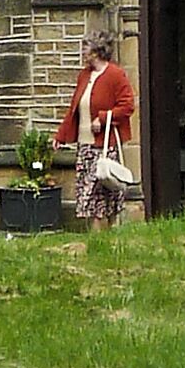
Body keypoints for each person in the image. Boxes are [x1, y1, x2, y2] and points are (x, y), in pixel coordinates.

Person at [58, 31, 138, 226]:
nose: (82, 52)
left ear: (96, 51)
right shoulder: (84, 76)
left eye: (85, 48)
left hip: (104, 146)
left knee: (104, 194)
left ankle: (108, 238)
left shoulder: (115, 74)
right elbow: (74, 108)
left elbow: (127, 106)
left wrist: (102, 119)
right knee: (91, 198)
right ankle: (98, 243)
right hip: (85, 147)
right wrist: (60, 136)